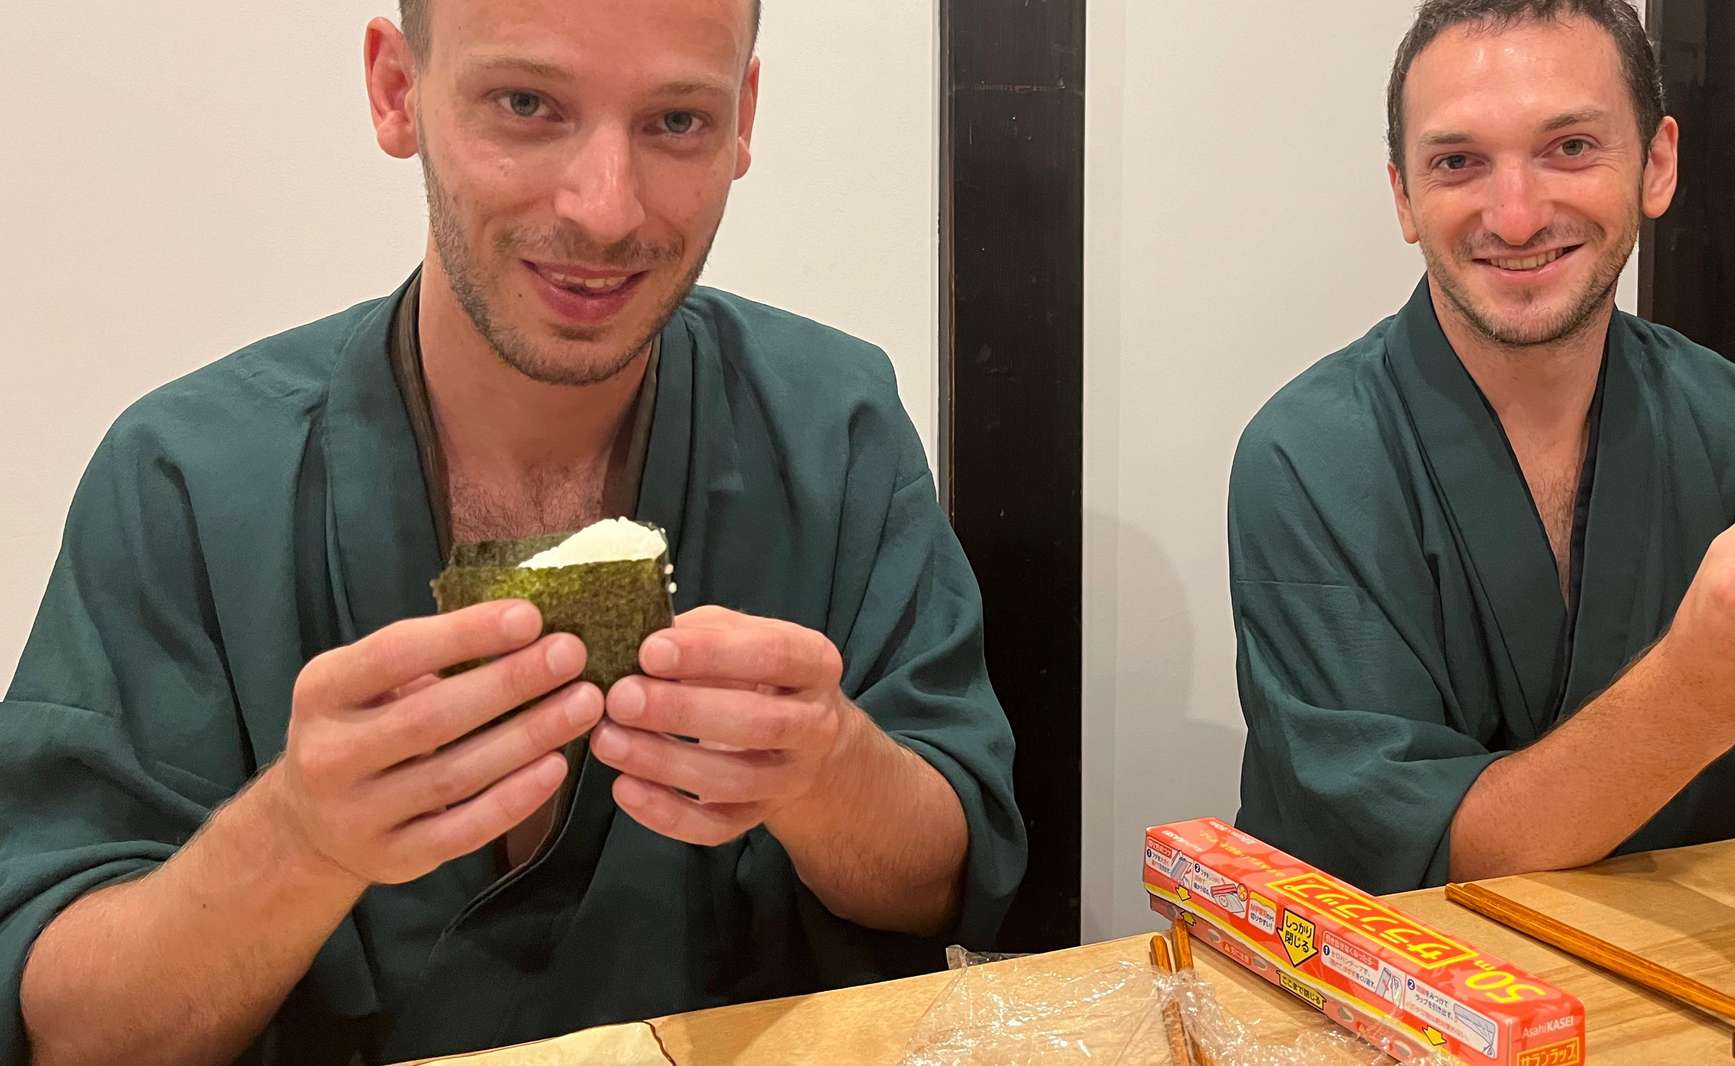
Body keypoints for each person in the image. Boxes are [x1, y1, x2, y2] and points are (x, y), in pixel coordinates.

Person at [2, 2, 1025, 1063]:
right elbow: (71, 1028)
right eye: (526, 105)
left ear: (743, 119)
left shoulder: (836, 427)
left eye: (676, 121)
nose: (604, 209)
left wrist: (826, 770)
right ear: (398, 90)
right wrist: (297, 839)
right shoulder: (188, 479)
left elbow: (948, 878)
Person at [1230, 0, 1735, 896]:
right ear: (1405, 198)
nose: (1514, 216)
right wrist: (1701, 690)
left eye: (1570, 148)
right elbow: (1420, 857)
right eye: (1458, 162)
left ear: (1657, 164)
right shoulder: (1311, 459)